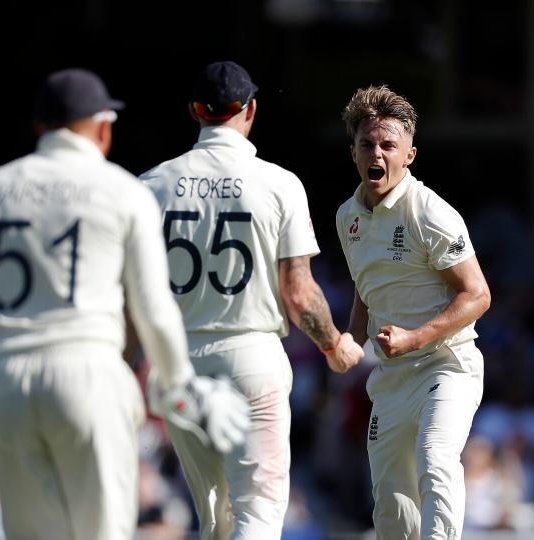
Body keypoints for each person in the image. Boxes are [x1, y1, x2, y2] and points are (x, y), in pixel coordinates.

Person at [0, 68, 250, 540]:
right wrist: (179, 387)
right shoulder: (121, 191)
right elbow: (154, 309)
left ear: (39, 128)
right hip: (87, 376)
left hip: (2, 387)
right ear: (103, 128)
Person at [139, 61, 364, 539]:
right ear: (251, 110)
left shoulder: (150, 186)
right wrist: (334, 345)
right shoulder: (280, 184)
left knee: (215, 518)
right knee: (257, 514)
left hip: (180, 362)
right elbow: (299, 293)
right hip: (250, 356)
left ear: (195, 112)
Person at [334, 85, 492, 540]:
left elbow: (478, 295)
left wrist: (415, 338)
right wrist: (351, 339)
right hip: (391, 378)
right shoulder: (348, 217)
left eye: (388, 145)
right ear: (354, 153)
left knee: (435, 459)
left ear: (410, 154)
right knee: (392, 509)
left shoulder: (431, 212)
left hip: (447, 367)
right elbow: (369, 287)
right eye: (367, 144)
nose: (376, 154)